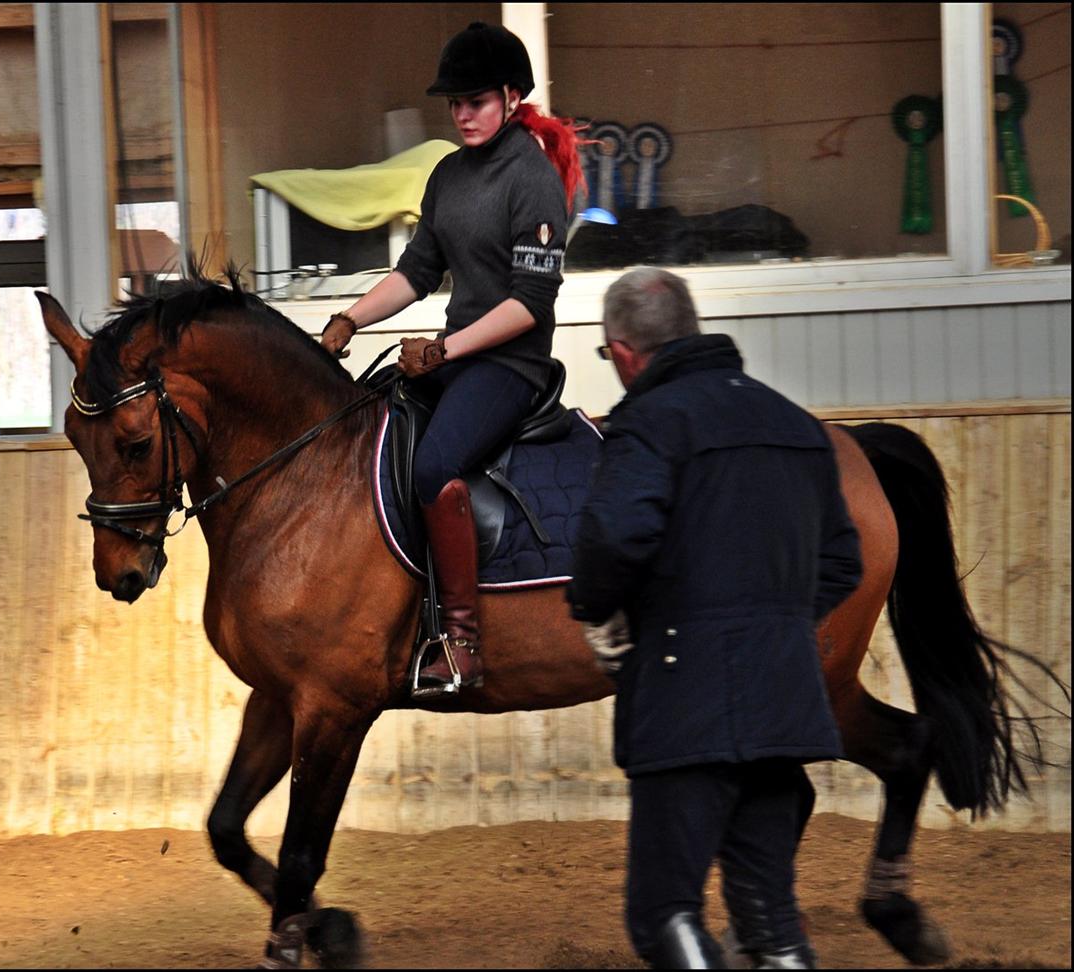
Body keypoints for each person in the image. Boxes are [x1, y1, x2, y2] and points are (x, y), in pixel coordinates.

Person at [566, 268, 863, 969]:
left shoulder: (649, 420)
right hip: (784, 702)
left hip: (686, 701)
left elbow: (614, 537)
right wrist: (779, 623)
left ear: (625, 352)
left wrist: (599, 611)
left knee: (664, 913)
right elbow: (842, 561)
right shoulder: (795, 424)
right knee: (770, 921)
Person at [321, 22, 587, 694]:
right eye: (456, 104)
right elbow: (415, 272)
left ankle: (462, 639)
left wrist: (444, 348)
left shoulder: (533, 180)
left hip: (511, 366)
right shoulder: (448, 175)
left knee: (437, 464)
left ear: (509, 96)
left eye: (476, 101)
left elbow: (531, 302)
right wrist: (348, 318)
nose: (464, 114)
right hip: (458, 358)